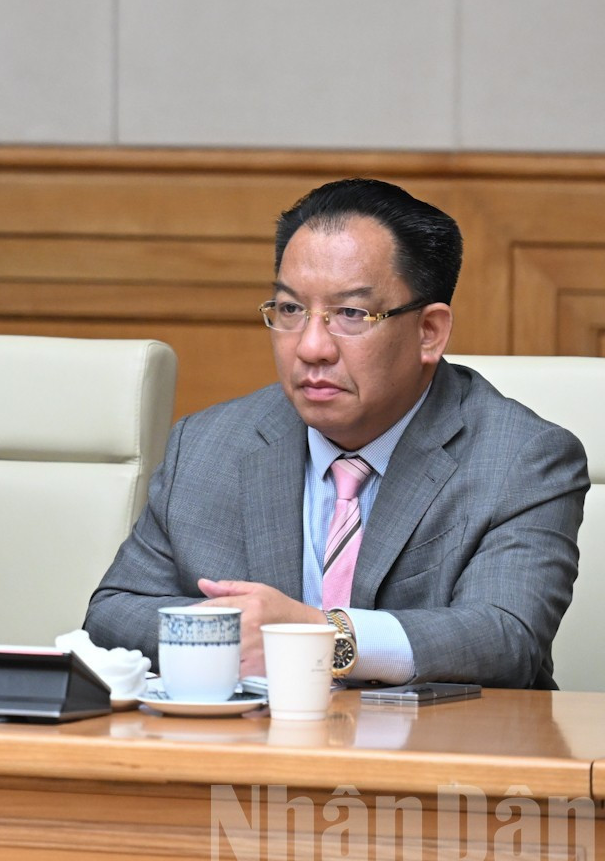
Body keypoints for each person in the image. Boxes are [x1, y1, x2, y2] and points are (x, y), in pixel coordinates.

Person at [86, 178, 587, 688]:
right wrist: (231, 634)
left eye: (350, 314)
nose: (311, 347)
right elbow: (113, 614)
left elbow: (506, 638)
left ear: (429, 332)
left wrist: (315, 636)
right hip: (256, 738)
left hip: (437, 739)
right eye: (290, 309)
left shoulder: (523, 458)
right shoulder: (207, 445)